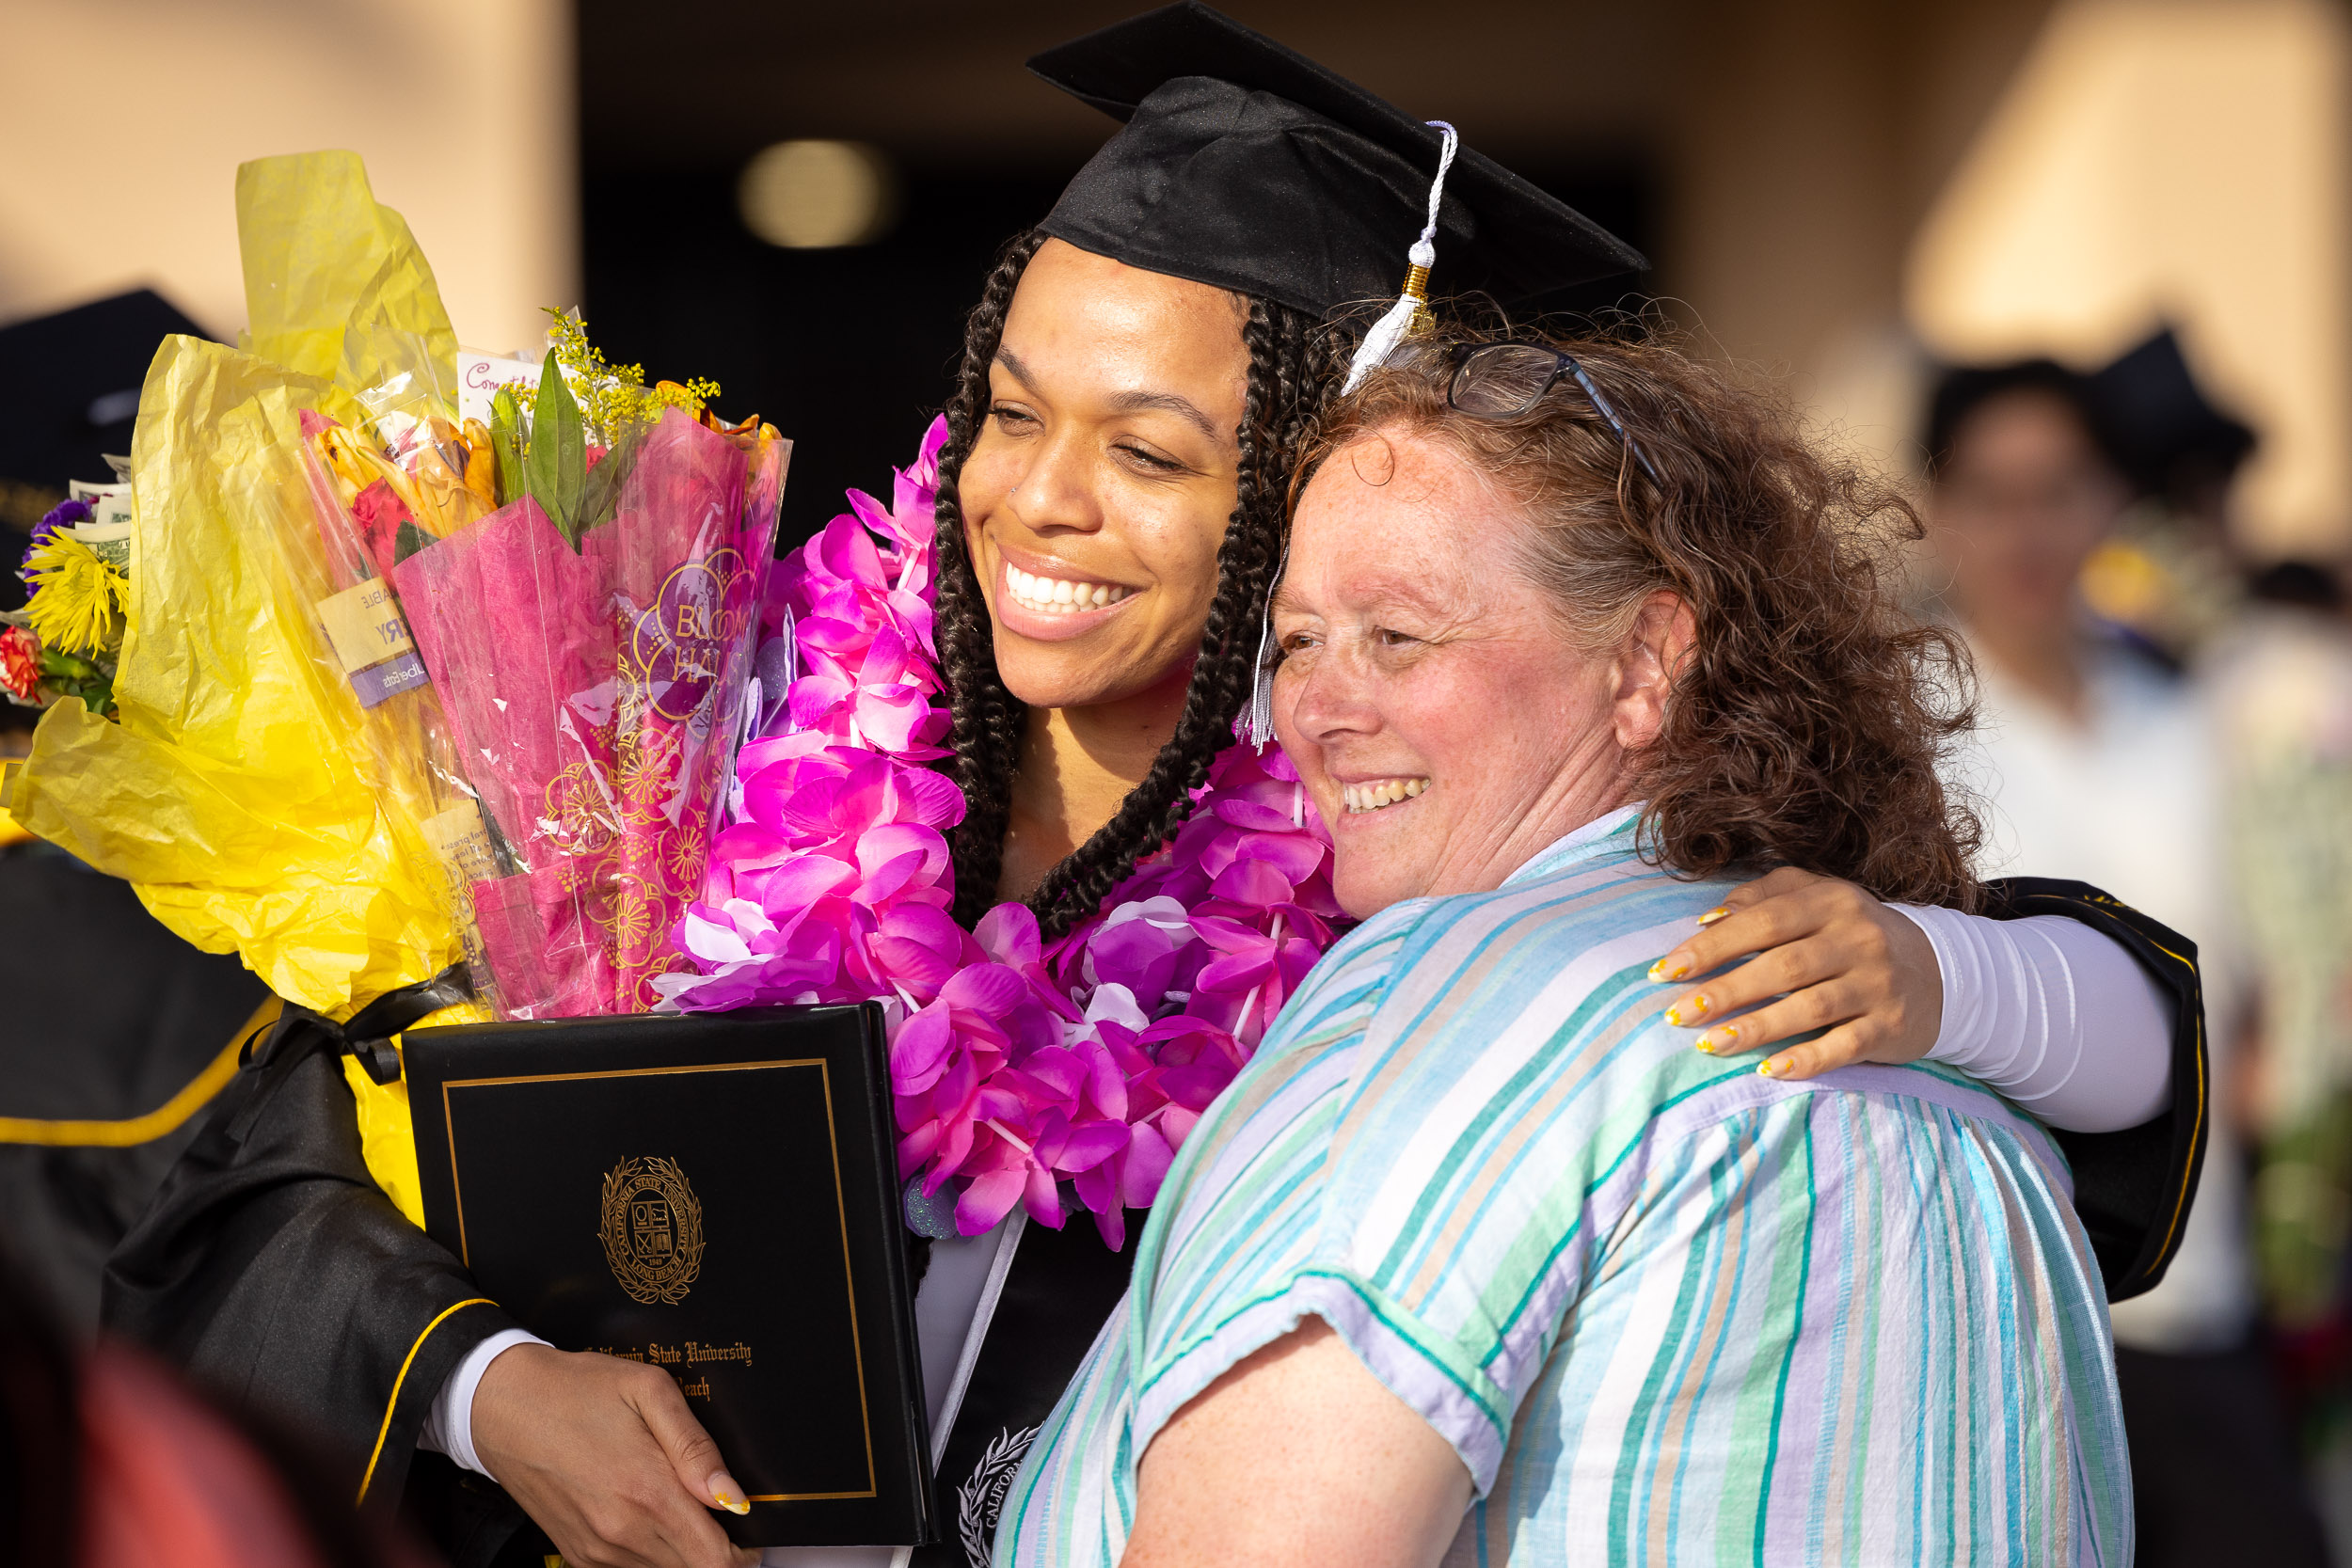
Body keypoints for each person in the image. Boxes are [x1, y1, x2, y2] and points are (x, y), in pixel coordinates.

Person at [104, 9, 2203, 1568]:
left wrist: (1939, 968)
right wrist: (501, 1388)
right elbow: (244, 1180)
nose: (1043, 499)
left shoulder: (1408, 861)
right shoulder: (690, 738)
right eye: (1011, 410)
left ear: (1310, 499)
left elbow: (2066, 1033)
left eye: (1152, 448)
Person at [1001, 326, 2148, 1566]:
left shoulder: (1447, 1011)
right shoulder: (1974, 1084)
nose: (1319, 710)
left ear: (1649, 658)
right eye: (1296, 642)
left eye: (1397, 635)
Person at [1924, 357, 2328, 1566]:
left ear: (2111, 503)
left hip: (2203, 1291)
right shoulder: (1899, 723)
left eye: (2057, 487)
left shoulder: (2195, 714)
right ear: (1936, 507)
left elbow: (2261, 957)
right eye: (1988, 490)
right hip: (2005, 1318)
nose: (2025, 527)